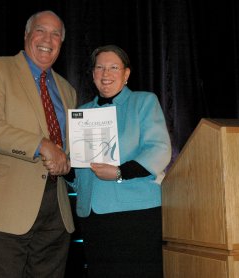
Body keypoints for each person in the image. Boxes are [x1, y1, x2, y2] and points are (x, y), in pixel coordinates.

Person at [0, 10, 77, 277]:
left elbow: (69, 147)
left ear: (61, 44)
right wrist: (42, 144)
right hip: (6, 206)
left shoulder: (67, 89)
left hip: (56, 211)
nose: (47, 39)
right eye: (40, 30)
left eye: (55, 35)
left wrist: (72, 161)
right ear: (27, 34)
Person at [65, 44, 172, 277]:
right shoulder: (81, 112)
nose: (106, 74)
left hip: (137, 214)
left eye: (114, 67)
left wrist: (120, 172)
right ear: (93, 74)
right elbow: (78, 171)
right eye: (100, 67)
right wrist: (64, 168)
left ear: (126, 74)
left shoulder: (144, 102)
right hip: (93, 217)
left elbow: (159, 149)